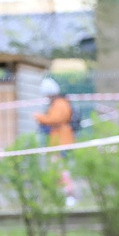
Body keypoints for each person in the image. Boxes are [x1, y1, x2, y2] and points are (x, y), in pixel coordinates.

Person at [33, 77, 77, 205]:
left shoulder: (60, 104)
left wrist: (41, 118)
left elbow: (56, 119)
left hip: (63, 142)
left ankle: (69, 195)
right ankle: (62, 195)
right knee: (57, 170)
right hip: (57, 141)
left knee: (62, 170)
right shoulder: (58, 103)